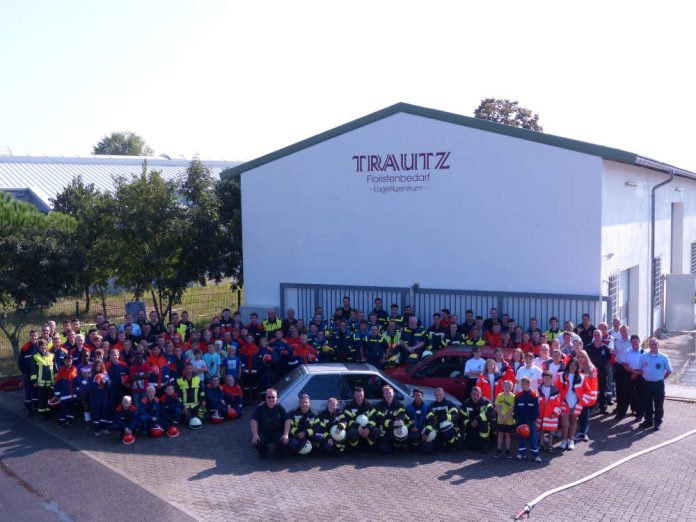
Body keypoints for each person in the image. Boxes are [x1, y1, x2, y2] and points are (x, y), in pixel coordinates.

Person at [638, 338, 672, 431]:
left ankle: (657, 422)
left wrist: (661, 378)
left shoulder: (663, 357)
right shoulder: (643, 357)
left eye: (655, 344)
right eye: (651, 344)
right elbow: (640, 369)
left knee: (658, 404)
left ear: (658, 345)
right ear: (649, 346)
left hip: (658, 384)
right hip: (647, 384)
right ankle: (648, 421)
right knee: (647, 403)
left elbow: (669, 371)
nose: (653, 346)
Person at [251, 388, 289, 458]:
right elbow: (254, 421)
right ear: (265, 397)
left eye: (273, 397)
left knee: (284, 443)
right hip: (264, 432)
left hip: (277, 432)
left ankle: (278, 451)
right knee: (256, 442)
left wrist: (286, 434)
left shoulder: (280, 407)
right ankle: (264, 451)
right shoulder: (260, 408)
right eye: (269, 397)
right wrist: (255, 435)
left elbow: (287, 420)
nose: (271, 399)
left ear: (276, 398)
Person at [373, 385, 411, 453]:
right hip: (385, 432)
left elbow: (402, 417)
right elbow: (381, 420)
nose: (388, 395)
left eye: (390, 393)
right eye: (386, 393)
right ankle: (394, 445)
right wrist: (393, 423)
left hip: (397, 429)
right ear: (383, 395)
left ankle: (399, 443)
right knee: (384, 450)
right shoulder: (379, 406)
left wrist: (398, 424)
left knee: (403, 429)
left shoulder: (399, 405)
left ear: (393, 393)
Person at [557, 358, 584, 450]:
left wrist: (582, 401)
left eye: (575, 366)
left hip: (575, 403)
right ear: (568, 365)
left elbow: (585, 390)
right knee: (564, 423)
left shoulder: (581, 377)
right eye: (571, 365)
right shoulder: (561, 375)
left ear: (577, 367)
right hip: (564, 402)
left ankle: (571, 440)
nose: (573, 367)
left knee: (573, 421)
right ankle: (564, 440)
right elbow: (556, 388)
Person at [615, 334, 644, 420]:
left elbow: (645, 366)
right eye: (632, 342)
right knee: (625, 394)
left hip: (640, 375)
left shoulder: (644, 352)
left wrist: (637, 373)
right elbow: (624, 365)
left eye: (636, 342)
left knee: (639, 395)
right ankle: (621, 413)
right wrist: (633, 372)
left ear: (639, 342)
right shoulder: (627, 351)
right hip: (629, 373)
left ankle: (639, 415)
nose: (634, 343)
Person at [514, 376, 541, 462]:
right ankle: (521, 453)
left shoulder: (534, 395)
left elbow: (536, 409)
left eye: (525, 383)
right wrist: (517, 417)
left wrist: (532, 418)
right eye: (522, 384)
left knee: (533, 437)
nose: (523, 385)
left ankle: (536, 455)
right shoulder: (518, 395)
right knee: (521, 435)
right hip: (521, 420)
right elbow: (516, 408)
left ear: (529, 384)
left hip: (531, 420)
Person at [460, 386, 494, 452]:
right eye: (474, 394)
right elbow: (461, 418)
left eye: (477, 394)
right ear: (471, 394)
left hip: (483, 427)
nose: (475, 396)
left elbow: (491, 415)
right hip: (471, 426)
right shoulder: (466, 403)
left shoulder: (486, 402)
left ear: (481, 394)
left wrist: (477, 419)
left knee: (484, 424)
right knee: (472, 445)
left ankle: (484, 446)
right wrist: (470, 423)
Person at [574, 350, 597, 442]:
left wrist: (590, 396)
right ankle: (579, 432)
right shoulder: (575, 367)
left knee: (585, 414)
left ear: (586, 357)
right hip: (576, 395)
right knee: (577, 414)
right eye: (579, 357)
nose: (580, 358)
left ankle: (584, 433)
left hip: (586, 396)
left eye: (582, 356)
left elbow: (594, 384)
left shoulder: (592, 368)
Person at [537, 371, 561, 452]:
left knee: (551, 431)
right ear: (542, 378)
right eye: (545, 378)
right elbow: (536, 402)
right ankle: (541, 445)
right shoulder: (539, 389)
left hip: (551, 414)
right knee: (541, 430)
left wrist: (554, 413)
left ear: (551, 379)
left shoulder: (555, 390)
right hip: (541, 413)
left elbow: (558, 403)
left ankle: (550, 446)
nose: (546, 380)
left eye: (548, 378)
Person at [30, 339, 55, 415]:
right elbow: (33, 370)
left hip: (50, 382)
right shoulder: (35, 357)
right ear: (38, 347)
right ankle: (42, 413)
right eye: (41, 346)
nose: (43, 347)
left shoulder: (52, 356)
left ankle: (49, 412)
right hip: (40, 383)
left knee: (50, 398)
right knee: (42, 399)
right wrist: (34, 381)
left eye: (44, 345)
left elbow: (55, 369)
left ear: (47, 346)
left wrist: (55, 380)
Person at [406, 388, 435, 453]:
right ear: (413, 396)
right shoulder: (408, 408)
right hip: (414, 431)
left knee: (427, 450)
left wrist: (426, 432)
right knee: (414, 435)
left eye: (419, 395)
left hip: (424, 431)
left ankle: (423, 444)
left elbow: (432, 421)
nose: (417, 397)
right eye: (415, 395)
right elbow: (406, 420)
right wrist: (411, 427)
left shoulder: (427, 408)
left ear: (422, 396)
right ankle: (415, 446)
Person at [53, 355, 79, 427]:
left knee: (72, 408)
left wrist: (77, 390)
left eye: (70, 361)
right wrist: (57, 394)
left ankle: (70, 421)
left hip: (73, 394)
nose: (69, 362)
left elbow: (77, 381)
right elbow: (57, 383)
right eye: (67, 361)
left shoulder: (74, 369)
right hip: (64, 395)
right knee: (63, 409)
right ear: (64, 361)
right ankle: (61, 422)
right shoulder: (61, 370)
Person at [494, 380, 516, 458]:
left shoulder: (513, 396)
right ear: (503, 387)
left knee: (507, 435)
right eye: (506, 386)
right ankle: (498, 449)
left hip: (509, 420)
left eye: (509, 387)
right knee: (500, 434)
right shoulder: (500, 395)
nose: (507, 388)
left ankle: (507, 450)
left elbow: (512, 409)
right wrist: (501, 416)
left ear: (512, 388)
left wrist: (506, 418)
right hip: (500, 419)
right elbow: (497, 407)